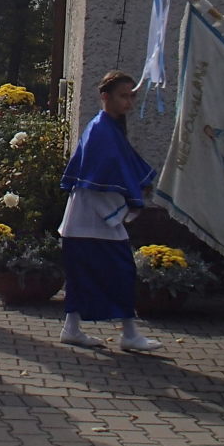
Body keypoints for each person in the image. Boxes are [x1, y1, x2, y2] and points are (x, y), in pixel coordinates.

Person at [58, 70, 163, 354]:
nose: (128, 102)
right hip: (95, 216)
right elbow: (99, 177)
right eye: (123, 96)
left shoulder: (107, 128)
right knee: (121, 271)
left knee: (88, 274)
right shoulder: (101, 130)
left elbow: (120, 168)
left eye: (131, 97)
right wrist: (124, 206)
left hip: (90, 218)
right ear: (105, 97)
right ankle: (127, 333)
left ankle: (73, 328)